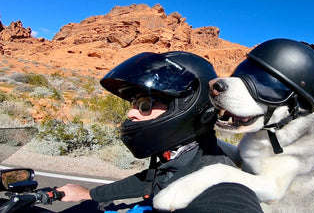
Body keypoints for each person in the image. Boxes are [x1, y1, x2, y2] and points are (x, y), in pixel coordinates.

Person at [57, 51, 262, 212]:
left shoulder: (216, 176)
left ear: (187, 107)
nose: (131, 113)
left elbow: (232, 202)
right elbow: (154, 178)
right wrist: (90, 194)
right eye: (134, 103)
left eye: (144, 104)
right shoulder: (180, 155)